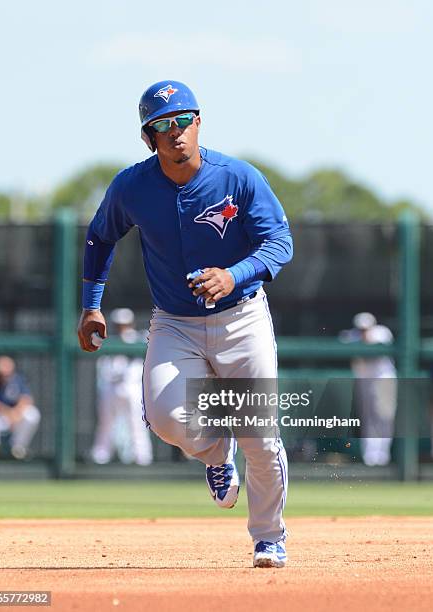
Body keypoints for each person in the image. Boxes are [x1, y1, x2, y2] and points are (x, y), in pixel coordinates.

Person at [77, 80, 293, 568]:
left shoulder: (237, 177)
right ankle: (217, 453)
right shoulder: (132, 185)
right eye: (161, 125)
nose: (174, 132)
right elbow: (98, 237)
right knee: (166, 418)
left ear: (198, 123)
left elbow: (280, 243)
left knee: (260, 433)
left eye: (182, 120)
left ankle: (268, 536)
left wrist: (233, 274)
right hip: (174, 321)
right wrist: (92, 304)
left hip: (242, 318)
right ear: (148, 137)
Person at [90, 308, 153, 466]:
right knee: (106, 422)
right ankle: (101, 455)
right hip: (111, 386)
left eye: (124, 324)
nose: (121, 327)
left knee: (137, 423)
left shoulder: (138, 337)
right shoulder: (109, 340)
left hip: (132, 387)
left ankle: (142, 457)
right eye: (118, 324)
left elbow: (148, 340)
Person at [340, 312, 397, 466]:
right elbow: (342, 340)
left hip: (383, 380)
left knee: (384, 417)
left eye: (366, 328)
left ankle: (383, 456)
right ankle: (370, 458)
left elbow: (375, 346)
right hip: (365, 382)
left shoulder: (382, 333)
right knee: (368, 418)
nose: (363, 331)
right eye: (361, 328)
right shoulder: (353, 335)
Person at [0, 356, 41, 459]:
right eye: (2, 373)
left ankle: (18, 448)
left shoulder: (18, 379)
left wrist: (15, 414)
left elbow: (27, 399)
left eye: (8, 372)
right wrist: (8, 413)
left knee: (32, 414)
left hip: (16, 418)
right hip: (0, 419)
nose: (5, 376)